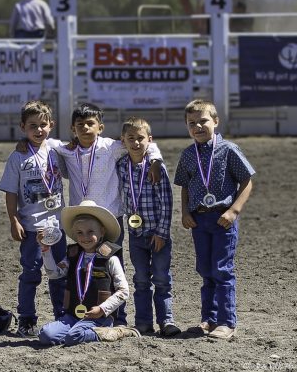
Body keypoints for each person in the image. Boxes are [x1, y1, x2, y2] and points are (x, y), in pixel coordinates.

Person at [17, 102, 163, 326]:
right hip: (82, 221)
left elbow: (142, 142)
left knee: (113, 267)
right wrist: (24, 143)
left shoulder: (112, 147)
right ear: (73, 129)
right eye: (80, 125)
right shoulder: (64, 149)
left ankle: (118, 318)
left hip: (110, 219)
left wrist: (155, 160)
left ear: (100, 127)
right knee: (82, 268)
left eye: (90, 124)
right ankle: (80, 311)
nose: (85, 128)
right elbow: (41, 140)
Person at [174, 99, 255, 340]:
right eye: (192, 123)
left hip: (223, 220)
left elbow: (247, 181)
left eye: (203, 121)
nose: (198, 126)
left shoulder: (229, 149)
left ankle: (227, 322)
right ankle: (208, 320)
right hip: (199, 221)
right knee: (205, 270)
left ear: (216, 122)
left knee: (222, 270)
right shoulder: (188, 154)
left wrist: (234, 211)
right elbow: (185, 186)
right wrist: (186, 212)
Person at [0, 100, 66, 337]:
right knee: (31, 274)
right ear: (23, 127)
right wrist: (13, 219)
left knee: (59, 273)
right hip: (31, 228)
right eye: (32, 126)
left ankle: (62, 317)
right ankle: (26, 320)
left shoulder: (58, 149)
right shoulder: (18, 157)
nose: (38, 130)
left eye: (43, 125)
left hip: (58, 226)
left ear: (52, 125)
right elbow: (11, 192)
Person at [37, 200, 140, 345]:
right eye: (80, 232)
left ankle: (116, 331)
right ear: (74, 233)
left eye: (90, 232)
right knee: (45, 334)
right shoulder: (72, 255)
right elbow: (54, 274)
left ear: (102, 231)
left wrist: (102, 309)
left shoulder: (111, 259)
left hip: (99, 317)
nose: (85, 237)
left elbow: (124, 291)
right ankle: (76, 333)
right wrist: (45, 250)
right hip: (73, 316)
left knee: (74, 336)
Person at [117, 117, 181, 337]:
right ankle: (143, 322)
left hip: (157, 234)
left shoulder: (156, 168)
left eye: (140, 138)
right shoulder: (120, 166)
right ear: (122, 140)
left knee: (162, 279)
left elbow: (167, 201)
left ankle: (166, 321)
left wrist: (162, 232)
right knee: (141, 279)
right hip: (136, 235)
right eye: (131, 138)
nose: (135, 143)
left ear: (149, 140)